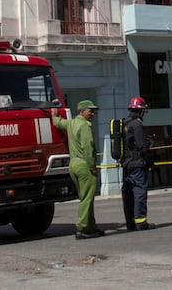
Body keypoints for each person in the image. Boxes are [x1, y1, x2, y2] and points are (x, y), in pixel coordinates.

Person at [52, 99, 104, 239]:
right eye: (90, 110)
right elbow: (88, 147)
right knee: (87, 198)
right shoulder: (84, 126)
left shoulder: (72, 123)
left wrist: (54, 115)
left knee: (85, 197)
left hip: (73, 164)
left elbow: (59, 123)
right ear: (82, 111)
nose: (92, 113)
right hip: (84, 165)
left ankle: (91, 227)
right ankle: (82, 228)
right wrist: (92, 166)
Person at [121, 96, 156, 231]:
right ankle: (141, 221)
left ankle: (130, 222)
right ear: (141, 110)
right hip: (137, 163)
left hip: (126, 164)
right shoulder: (137, 124)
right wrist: (150, 161)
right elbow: (142, 146)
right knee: (139, 191)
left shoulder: (125, 123)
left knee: (128, 194)